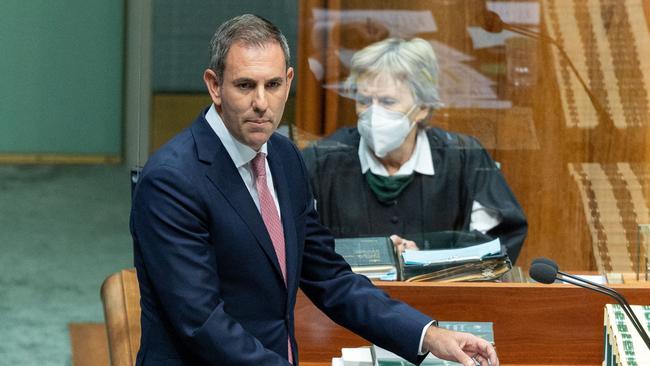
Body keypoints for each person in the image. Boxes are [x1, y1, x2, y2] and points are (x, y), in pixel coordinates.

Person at [131, 14, 498, 366]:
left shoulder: (284, 157)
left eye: (273, 85)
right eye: (245, 85)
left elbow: (330, 277)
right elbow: (203, 322)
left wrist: (429, 335)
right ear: (214, 85)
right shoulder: (171, 180)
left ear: (288, 83)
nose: (261, 102)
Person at [302, 37, 527, 263]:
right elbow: (302, 243)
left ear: (422, 107)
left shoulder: (464, 157)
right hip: (346, 296)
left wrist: (427, 259)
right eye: (364, 100)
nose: (373, 113)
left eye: (388, 101)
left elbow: (495, 242)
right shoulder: (322, 160)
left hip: (443, 295)